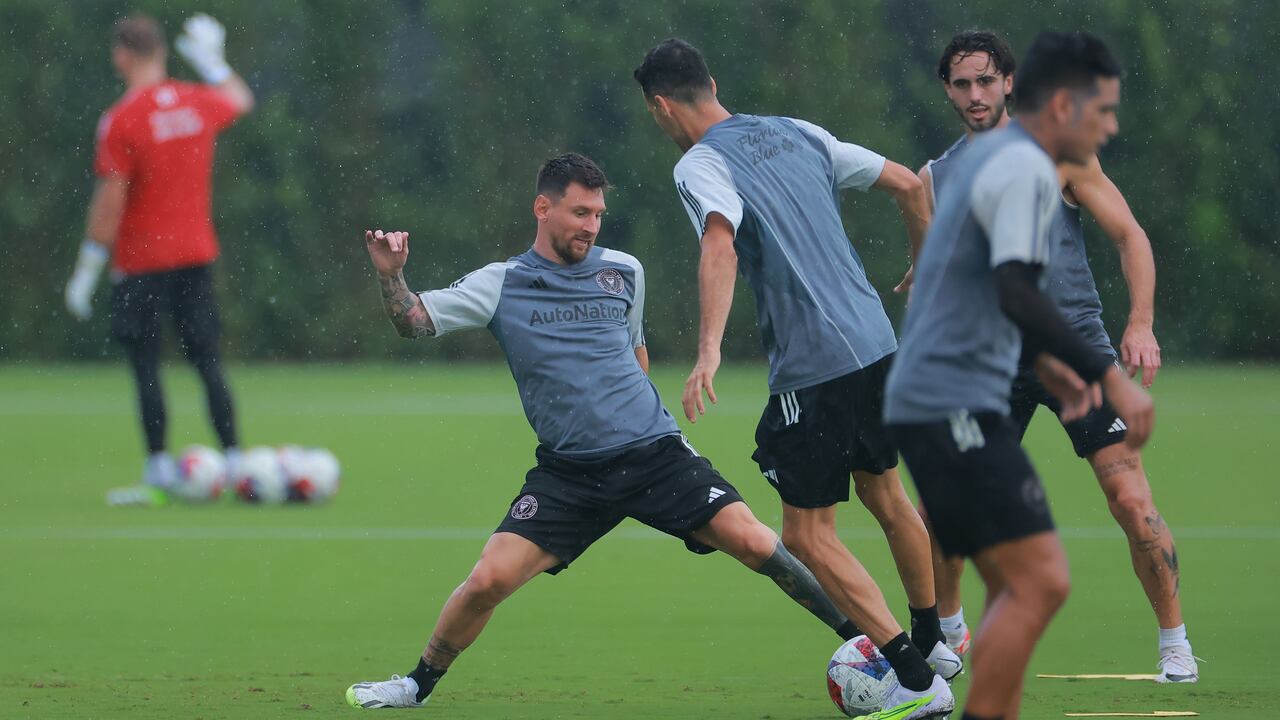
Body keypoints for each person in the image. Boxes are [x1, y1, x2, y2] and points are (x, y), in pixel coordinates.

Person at [344, 153, 949, 712]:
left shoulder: (624, 272)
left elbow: (636, 354)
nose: (592, 225)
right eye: (580, 212)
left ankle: (878, 653)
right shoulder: (501, 283)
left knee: (759, 544)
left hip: (656, 454)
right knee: (489, 579)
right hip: (569, 473)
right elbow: (413, 322)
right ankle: (415, 685)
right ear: (543, 208)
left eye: (599, 214)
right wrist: (390, 277)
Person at [634, 38, 958, 719]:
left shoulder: (698, 163)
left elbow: (719, 241)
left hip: (816, 364)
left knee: (808, 535)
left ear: (661, 107)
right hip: (876, 340)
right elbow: (910, 184)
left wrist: (708, 350)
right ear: (713, 82)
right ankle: (932, 640)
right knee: (887, 494)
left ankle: (916, 681)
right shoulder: (796, 131)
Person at [884, 31, 1157, 720]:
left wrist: (1051, 366)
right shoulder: (1016, 168)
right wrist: (1109, 376)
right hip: (950, 390)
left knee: (1037, 584)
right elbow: (1015, 291)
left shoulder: (1016, 165)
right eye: (1103, 110)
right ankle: (939, 647)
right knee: (1034, 585)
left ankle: (944, 651)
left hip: (956, 383)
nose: (1112, 126)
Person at [64, 13, 254, 505]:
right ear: (163, 52)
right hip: (195, 255)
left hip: (142, 261)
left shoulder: (122, 118)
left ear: (121, 55)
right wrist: (214, 61)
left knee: (145, 364)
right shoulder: (195, 101)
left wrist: (87, 267)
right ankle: (234, 462)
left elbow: (110, 201)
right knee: (207, 358)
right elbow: (241, 99)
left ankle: (158, 471)